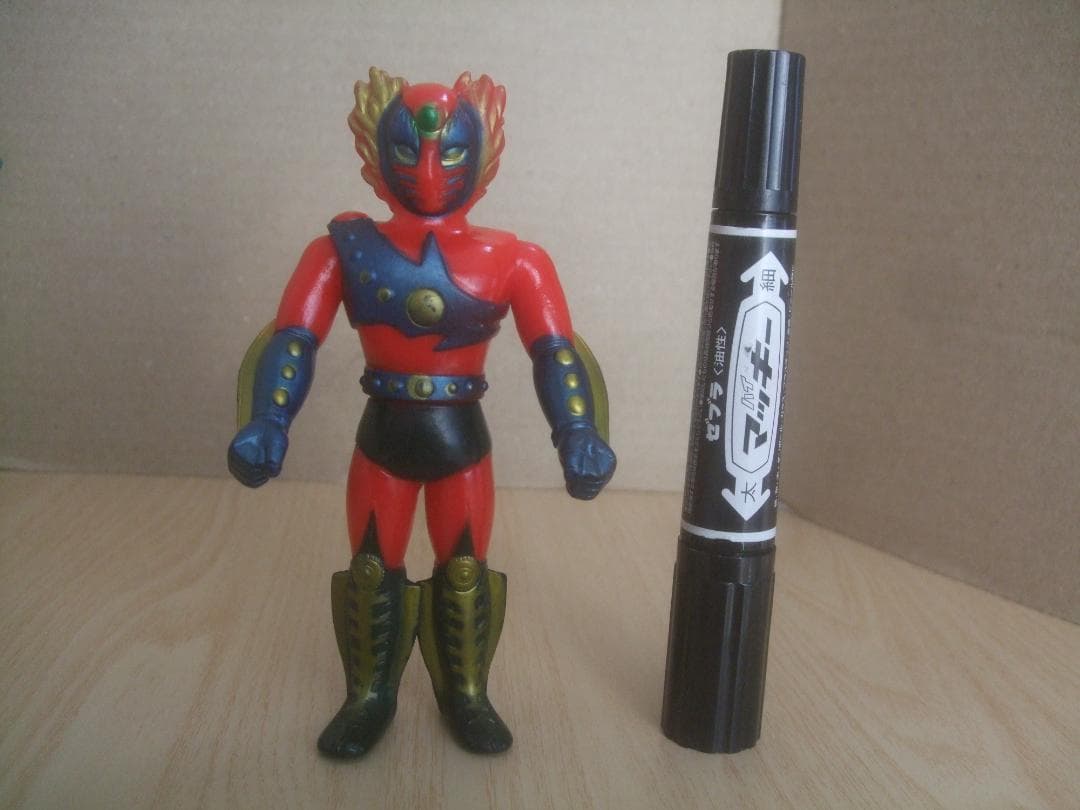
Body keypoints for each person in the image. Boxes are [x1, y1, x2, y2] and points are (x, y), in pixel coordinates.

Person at [228, 68, 616, 758]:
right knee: (371, 568)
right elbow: (291, 339)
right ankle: (369, 695)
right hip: (384, 436)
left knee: (464, 567)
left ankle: (465, 692)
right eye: (408, 151)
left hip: (460, 441)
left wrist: (580, 431)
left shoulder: (515, 259)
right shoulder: (340, 250)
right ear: (376, 153)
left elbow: (557, 351)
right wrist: (266, 421)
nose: (430, 171)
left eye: (451, 150)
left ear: (483, 152)